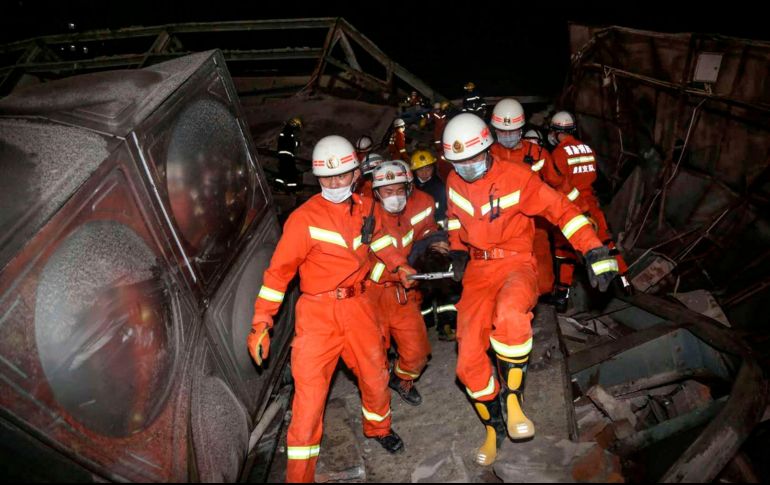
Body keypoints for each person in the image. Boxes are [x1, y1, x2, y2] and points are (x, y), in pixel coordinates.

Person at [442, 113, 619, 466]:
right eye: (458, 162)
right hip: (477, 270)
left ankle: (513, 398)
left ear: (487, 149)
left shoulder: (517, 178)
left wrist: (593, 249)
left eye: (472, 159)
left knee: (511, 315)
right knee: (468, 362)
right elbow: (454, 219)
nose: (466, 168)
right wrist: (457, 251)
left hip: (515, 262)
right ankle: (493, 428)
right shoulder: (453, 180)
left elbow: (561, 210)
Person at [248, 135, 418, 482]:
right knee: (308, 403)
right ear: (317, 178)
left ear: (356, 174)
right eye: (327, 178)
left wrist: (399, 264)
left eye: (342, 175)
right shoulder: (303, 220)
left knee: (375, 376)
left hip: (359, 307)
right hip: (317, 315)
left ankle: (379, 428)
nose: (336, 184)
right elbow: (278, 274)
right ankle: (299, 477)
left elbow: (381, 240)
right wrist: (261, 322)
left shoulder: (367, 208)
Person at [367, 160, 441, 406]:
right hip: (371, 295)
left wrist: (437, 248)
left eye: (400, 190)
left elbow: (425, 234)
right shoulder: (365, 216)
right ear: (376, 193)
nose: (395, 197)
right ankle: (377, 396)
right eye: (388, 191)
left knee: (417, 353)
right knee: (372, 356)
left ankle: (402, 379)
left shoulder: (413, 212)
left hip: (402, 294)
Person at [547, 111, 633, 311]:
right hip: (592, 204)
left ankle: (561, 296)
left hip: (571, 207)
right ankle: (625, 281)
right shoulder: (587, 149)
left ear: (556, 131)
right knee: (606, 242)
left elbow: (559, 185)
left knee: (565, 252)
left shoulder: (558, 154)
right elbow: (596, 178)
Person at [489, 99, 560, 296]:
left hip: (535, 224)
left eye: (511, 131)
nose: (507, 136)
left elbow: (560, 185)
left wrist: (583, 211)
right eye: (502, 131)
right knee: (502, 281)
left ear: (521, 129)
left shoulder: (538, 153)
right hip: (500, 226)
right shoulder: (488, 155)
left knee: (544, 282)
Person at [277, 117, 302, 192]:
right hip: (287, 155)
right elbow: (289, 143)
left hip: (283, 154)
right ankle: (292, 189)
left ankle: (278, 187)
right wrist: (297, 143)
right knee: (291, 172)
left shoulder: (286, 131)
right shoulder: (288, 131)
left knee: (283, 171)